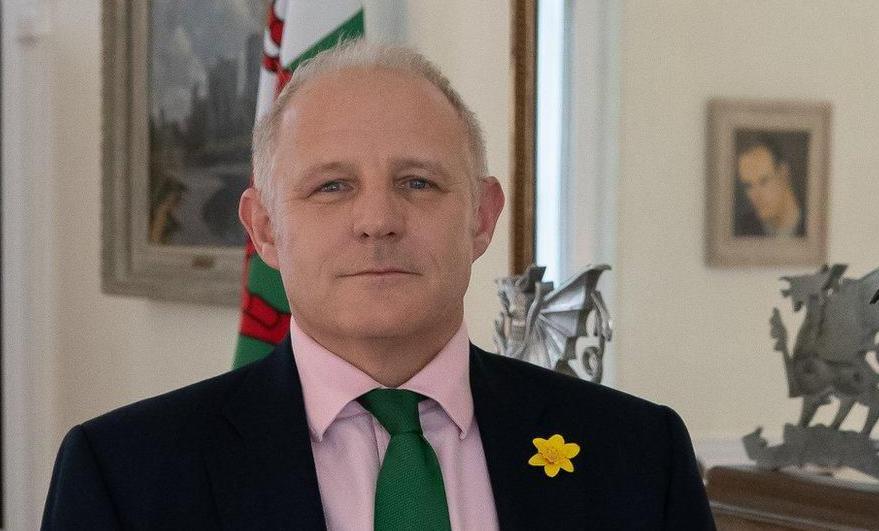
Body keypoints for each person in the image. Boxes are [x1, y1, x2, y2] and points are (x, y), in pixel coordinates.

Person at [42, 41, 714, 530]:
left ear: (480, 218)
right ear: (265, 228)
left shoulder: (634, 455)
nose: (377, 220)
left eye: (416, 182)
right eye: (331, 186)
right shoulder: (127, 476)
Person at [734, 136, 805, 238]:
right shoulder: (744, 229)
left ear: (783, 174)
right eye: (748, 185)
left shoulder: (813, 222)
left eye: (764, 181)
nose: (756, 196)